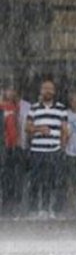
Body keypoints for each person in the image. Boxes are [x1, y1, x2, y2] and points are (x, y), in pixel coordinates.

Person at [26, 80, 69, 218]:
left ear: (54, 91)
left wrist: (62, 147)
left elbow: (64, 129)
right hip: (37, 151)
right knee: (36, 181)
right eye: (45, 88)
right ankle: (36, 210)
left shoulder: (61, 108)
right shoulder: (34, 108)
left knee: (55, 181)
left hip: (54, 151)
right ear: (41, 90)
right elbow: (27, 128)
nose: (48, 91)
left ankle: (56, 210)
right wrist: (39, 129)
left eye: (50, 89)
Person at [0, 87, 30, 216]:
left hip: (18, 146)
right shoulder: (3, 107)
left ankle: (16, 203)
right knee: (6, 176)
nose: (10, 93)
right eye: (7, 90)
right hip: (4, 147)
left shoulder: (20, 107)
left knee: (17, 176)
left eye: (13, 90)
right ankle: (6, 202)